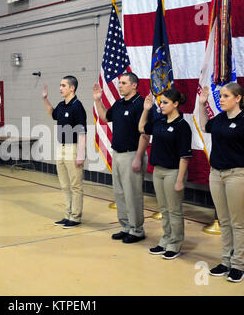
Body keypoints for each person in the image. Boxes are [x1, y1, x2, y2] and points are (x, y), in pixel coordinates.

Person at [198, 83, 244, 283]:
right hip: (216, 175)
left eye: (226, 96)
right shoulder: (219, 119)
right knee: (224, 222)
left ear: (238, 98)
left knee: (238, 223)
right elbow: (203, 126)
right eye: (221, 96)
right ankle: (225, 261)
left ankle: (238, 265)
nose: (222, 99)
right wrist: (201, 104)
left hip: (237, 176)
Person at [93, 72, 149, 243]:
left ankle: (137, 230)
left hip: (132, 154)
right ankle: (125, 227)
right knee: (120, 194)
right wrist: (97, 100)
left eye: (123, 83)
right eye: (119, 83)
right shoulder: (118, 103)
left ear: (134, 85)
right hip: (117, 154)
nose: (120, 86)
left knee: (132, 195)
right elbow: (105, 117)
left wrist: (138, 157)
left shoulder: (140, 105)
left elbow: (145, 134)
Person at [139, 89, 192, 259]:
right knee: (163, 209)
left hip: (173, 171)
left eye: (165, 102)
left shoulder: (182, 126)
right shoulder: (159, 120)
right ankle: (166, 238)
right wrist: (146, 109)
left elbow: (184, 156)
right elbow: (142, 128)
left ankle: (175, 243)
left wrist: (179, 180)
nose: (161, 105)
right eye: (160, 102)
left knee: (174, 209)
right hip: (158, 170)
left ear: (176, 104)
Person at [42, 76, 87, 229]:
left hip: (73, 148)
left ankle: (75, 216)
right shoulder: (62, 105)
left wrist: (81, 155)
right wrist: (45, 99)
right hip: (61, 147)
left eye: (63, 85)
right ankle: (67, 214)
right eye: (60, 85)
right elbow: (53, 114)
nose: (60, 88)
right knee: (64, 185)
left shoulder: (77, 106)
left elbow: (82, 133)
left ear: (72, 88)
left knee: (75, 185)